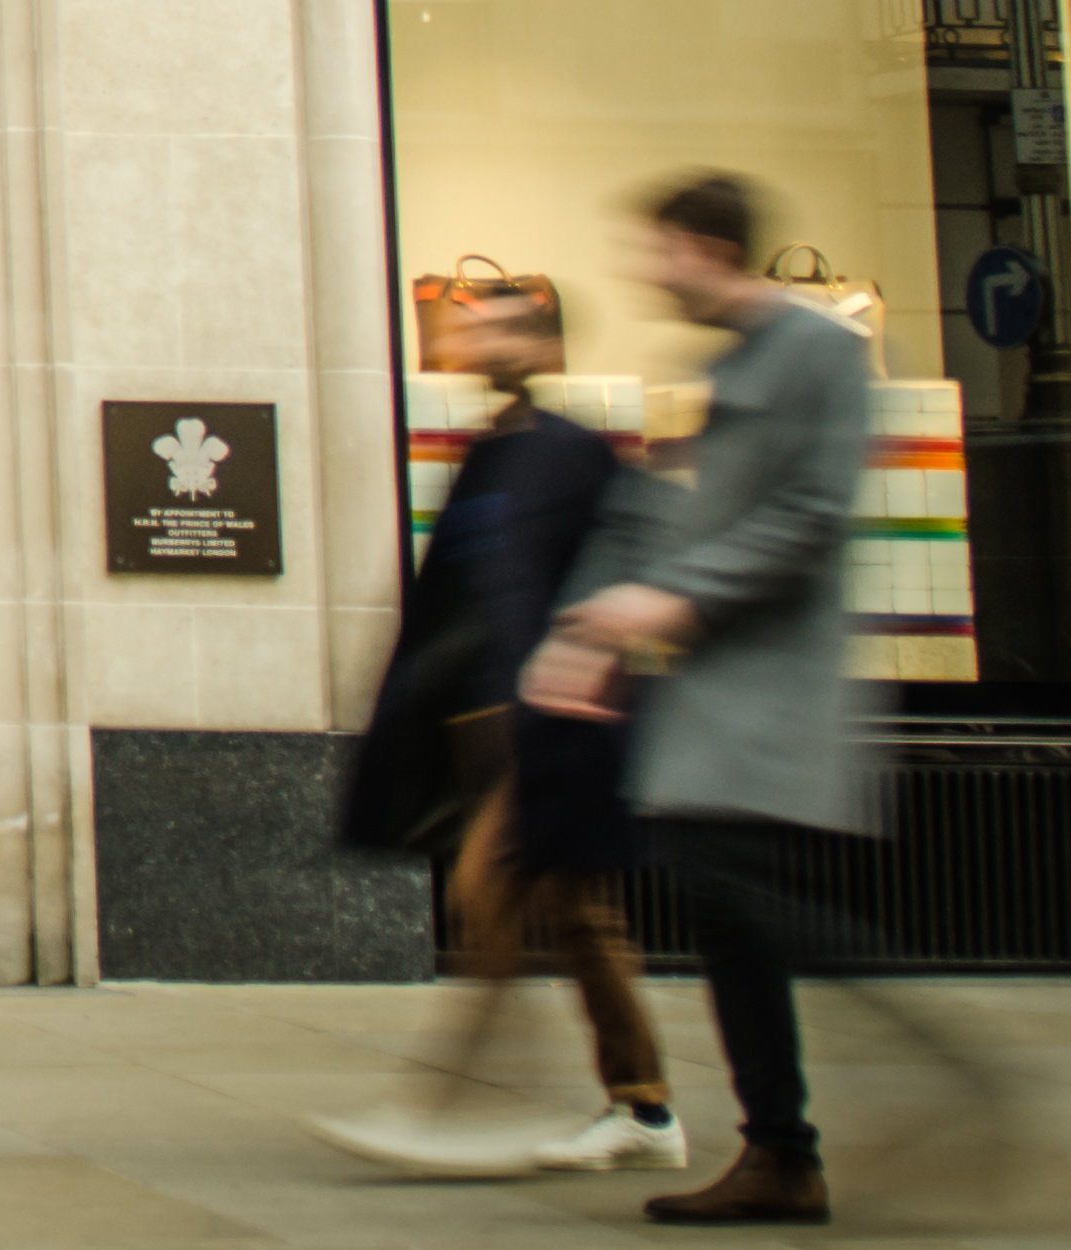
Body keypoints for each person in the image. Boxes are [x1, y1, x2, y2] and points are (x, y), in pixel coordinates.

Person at [526, 173, 876, 1227]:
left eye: (655, 250)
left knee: (745, 906)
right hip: (712, 693)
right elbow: (678, 514)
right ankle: (780, 1149)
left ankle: (799, 1132)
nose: (645, 270)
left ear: (701, 247)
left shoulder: (820, 351)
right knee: (732, 915)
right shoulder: (728, 365)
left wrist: (662, 599)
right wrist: (591, 624)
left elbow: (813, 514)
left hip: (769, 688)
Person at [319, 274, 672, 1177]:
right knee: (577, 919)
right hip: (490, 733)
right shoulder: (489, 456)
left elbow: (610, 569)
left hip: (550, 728)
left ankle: (439, 1104)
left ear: (546, 351)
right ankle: (642, 1108)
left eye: (506, 331)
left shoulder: (572, 455)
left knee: (493, 905)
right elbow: (459, 602)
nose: (482, 345)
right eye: (476, 332)